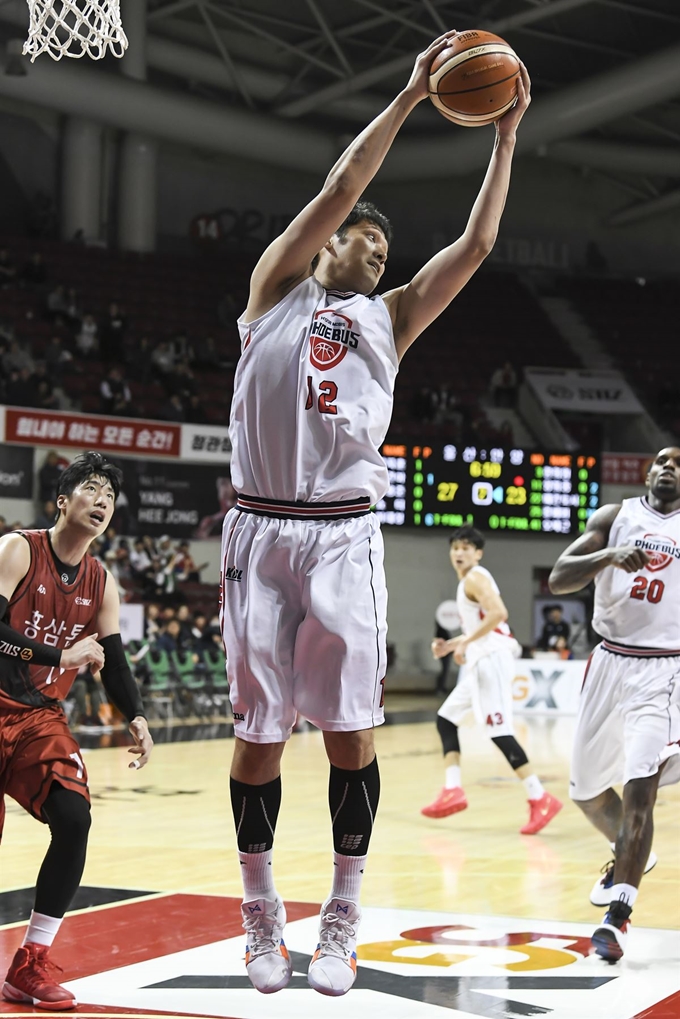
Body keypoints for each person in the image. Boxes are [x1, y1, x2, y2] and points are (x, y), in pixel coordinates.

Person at [218, 30, 532, 998]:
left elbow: (476, 245)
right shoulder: (274, 287)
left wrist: (505, 135)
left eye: (388, 247)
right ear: (335, 242)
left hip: (343, 536)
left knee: (350, 736)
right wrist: (405, 97)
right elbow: (341, 187)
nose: (377, 247)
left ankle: (341, 913)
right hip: (259, 530)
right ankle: (261, 908)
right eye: (368, 238)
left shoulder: (389, 317)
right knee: (258, 737)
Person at [0, 451, 153, 1010]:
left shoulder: (101, 582)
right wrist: (59, 654)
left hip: (38, 715)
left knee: (74, 817)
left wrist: (134, 715)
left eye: (110, 497)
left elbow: (113, 661)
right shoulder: (18, 549)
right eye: (91, 490)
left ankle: (30, 962)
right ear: (62, 502)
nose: (102, 502)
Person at [548, 446, 680, 963]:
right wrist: (606, 556)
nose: (669, 467)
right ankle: (629, 854)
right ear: (648, 471)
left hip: (664, 669)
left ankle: (617, 917)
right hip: (608, 663)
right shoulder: (615, 517)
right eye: (663, 460)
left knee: (639, 793)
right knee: (585, 791)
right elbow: (559, 577)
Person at [422, 527, 563, 834]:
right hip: (482, 659)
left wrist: (464, 643)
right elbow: (487, 624)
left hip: (492, 661)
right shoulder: (468, 583)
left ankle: (540, 797)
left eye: (466, 547)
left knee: (499, 731)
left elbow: (499, 614)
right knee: (446, 720)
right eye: (455, 547)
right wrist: (452, 644)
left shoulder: (475, 577)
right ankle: (452, 789)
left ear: (478, 553)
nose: (459, 552)